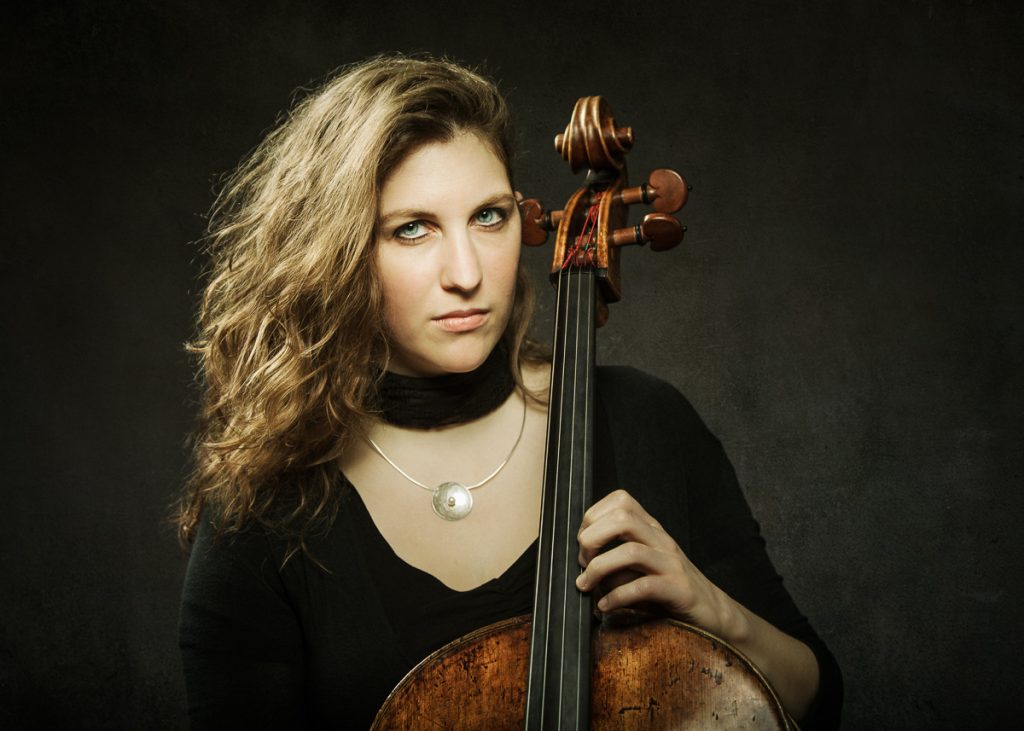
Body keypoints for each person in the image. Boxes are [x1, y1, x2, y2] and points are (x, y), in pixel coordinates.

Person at [176, 54, 842, 729]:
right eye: (412, 228)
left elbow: (815, 700)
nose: (466, 272)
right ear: (335, 253)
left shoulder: (649, 420)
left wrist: (711, 607)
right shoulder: (263, 513)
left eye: (489, 217)